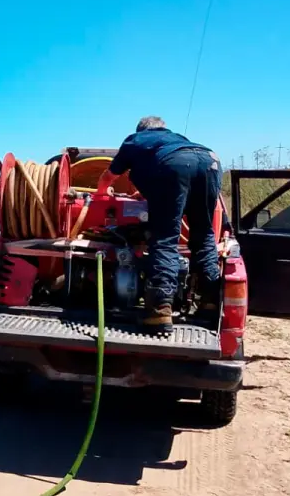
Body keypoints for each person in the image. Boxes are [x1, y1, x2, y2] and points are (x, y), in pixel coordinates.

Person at [96, 116, 223, 333]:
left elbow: (109, 176)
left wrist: (100, 194)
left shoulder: (135, 140)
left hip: (175, 165)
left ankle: (159, 311)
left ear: (141, 130)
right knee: (203, 235)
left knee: (164, 238)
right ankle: (210, 302)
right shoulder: (175, 138)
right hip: (211, 161)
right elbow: (181, 172)